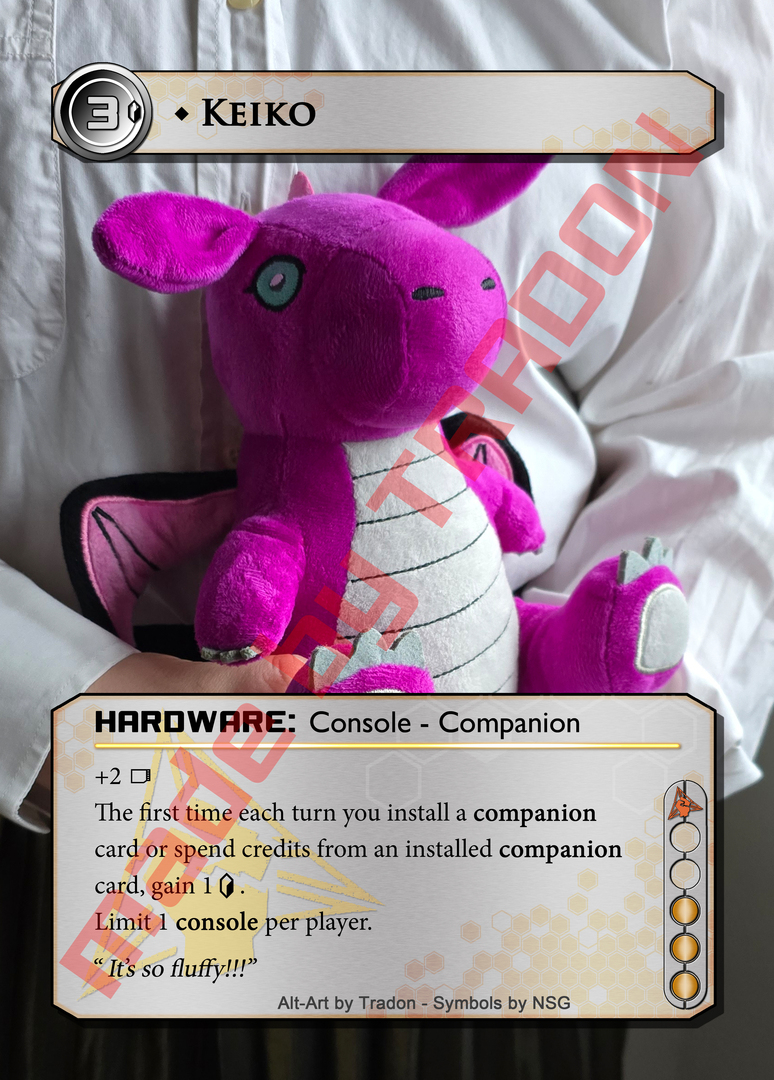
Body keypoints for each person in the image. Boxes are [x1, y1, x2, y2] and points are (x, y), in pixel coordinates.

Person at [2, 1, 772, 1077]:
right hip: (58, 826)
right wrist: (56, 705)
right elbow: (249, 587)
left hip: (519, 830)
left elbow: (725, 382)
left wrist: (607, 760)